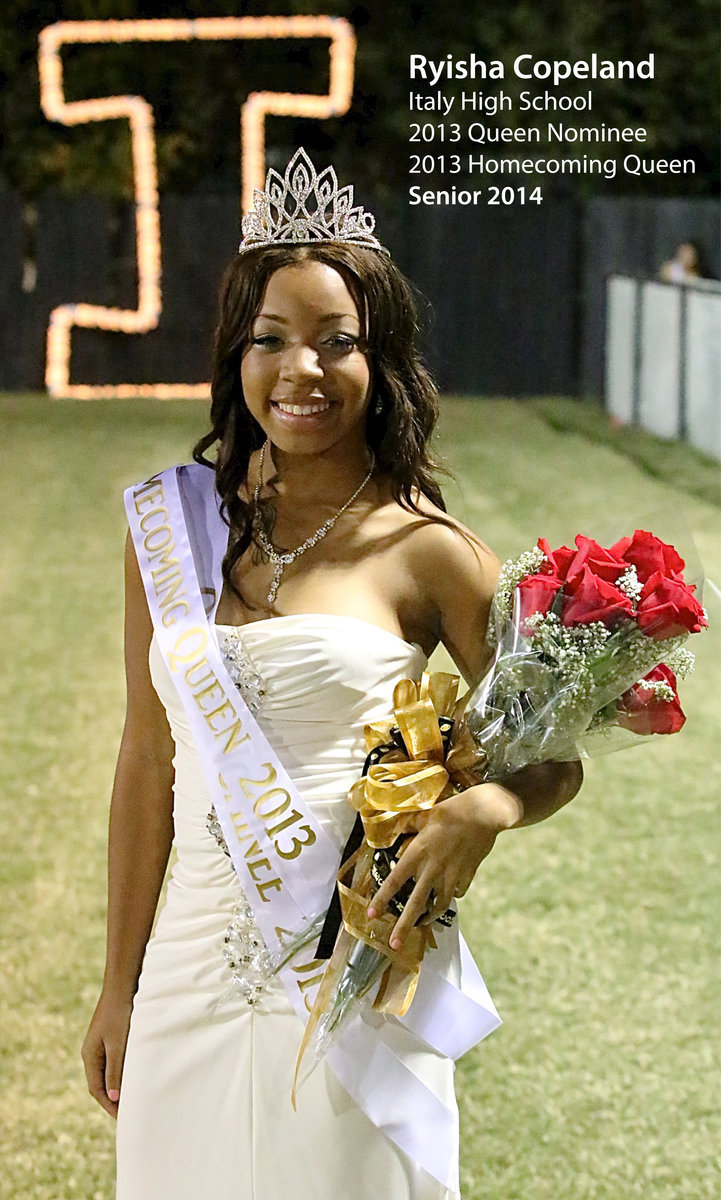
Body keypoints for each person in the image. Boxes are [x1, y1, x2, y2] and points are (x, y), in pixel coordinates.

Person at [81, 148, 582, 1200]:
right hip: (187, 975)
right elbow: (146, 759)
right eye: (269, 340)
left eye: (334, 341)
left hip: (348, 967)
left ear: (380, 360)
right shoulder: (168, 531)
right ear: (235, 356)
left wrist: (484, 804)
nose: (298, 369)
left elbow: (552, 752)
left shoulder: (430, 549)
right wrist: (118, 986)